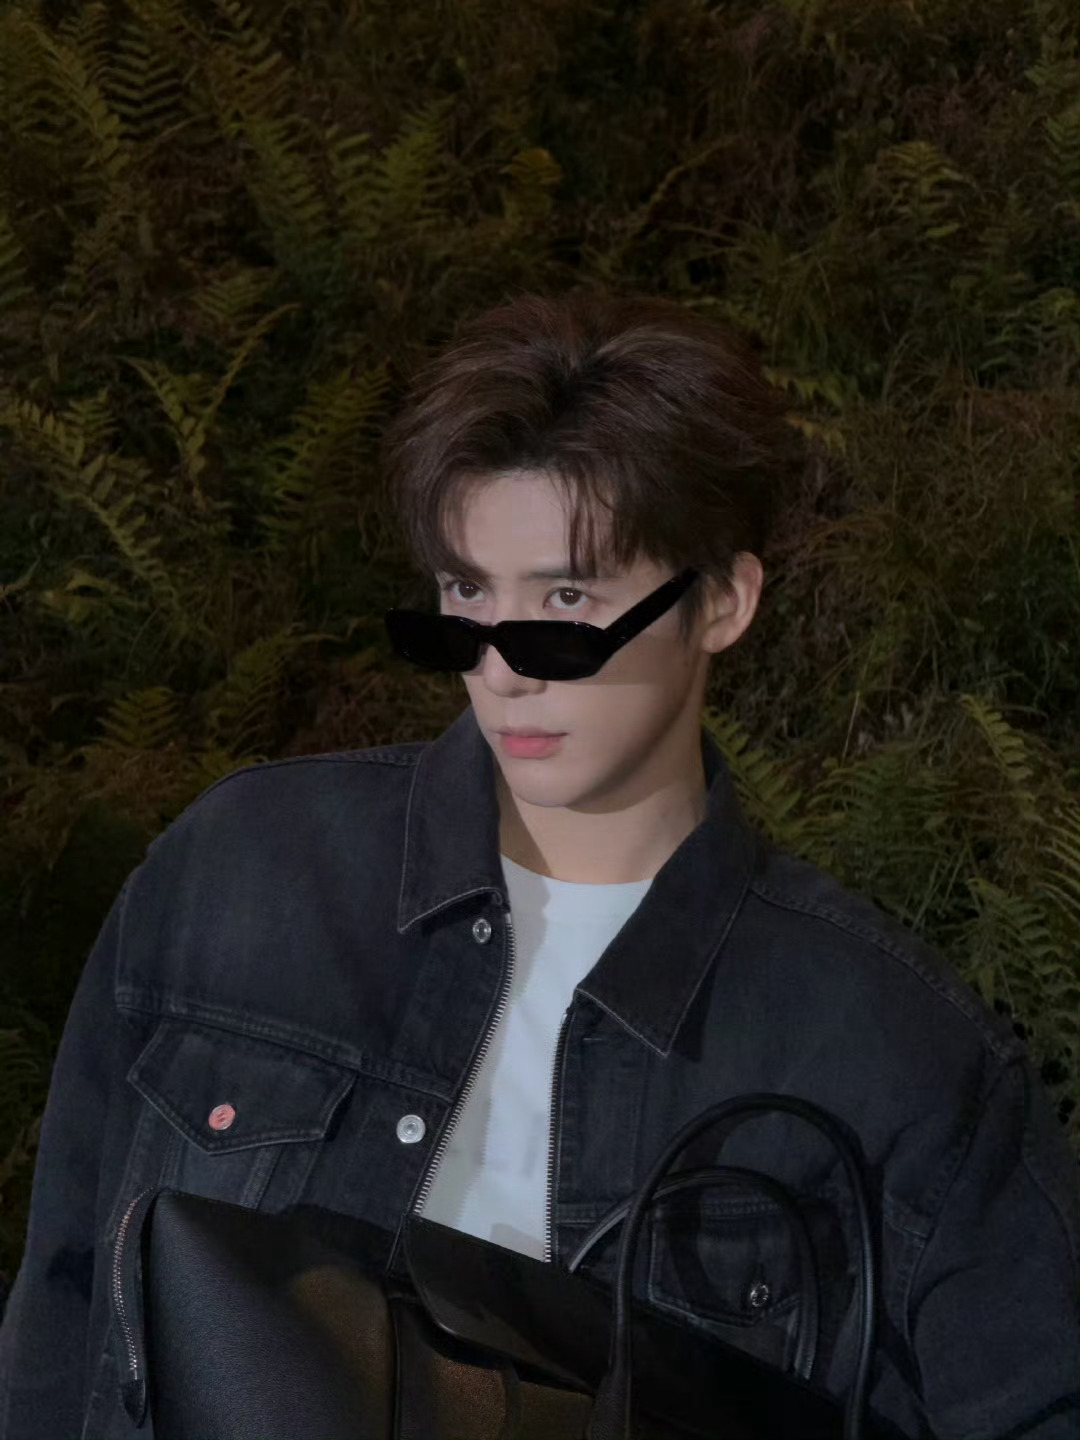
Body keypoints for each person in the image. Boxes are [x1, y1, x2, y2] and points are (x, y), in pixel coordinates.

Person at [1, 286, 1077, 1439]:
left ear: (722, 602)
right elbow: (63, 1310)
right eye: (467, 597)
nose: (502, 669)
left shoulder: (891, 1054)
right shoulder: (240, 875)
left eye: (565, 603)